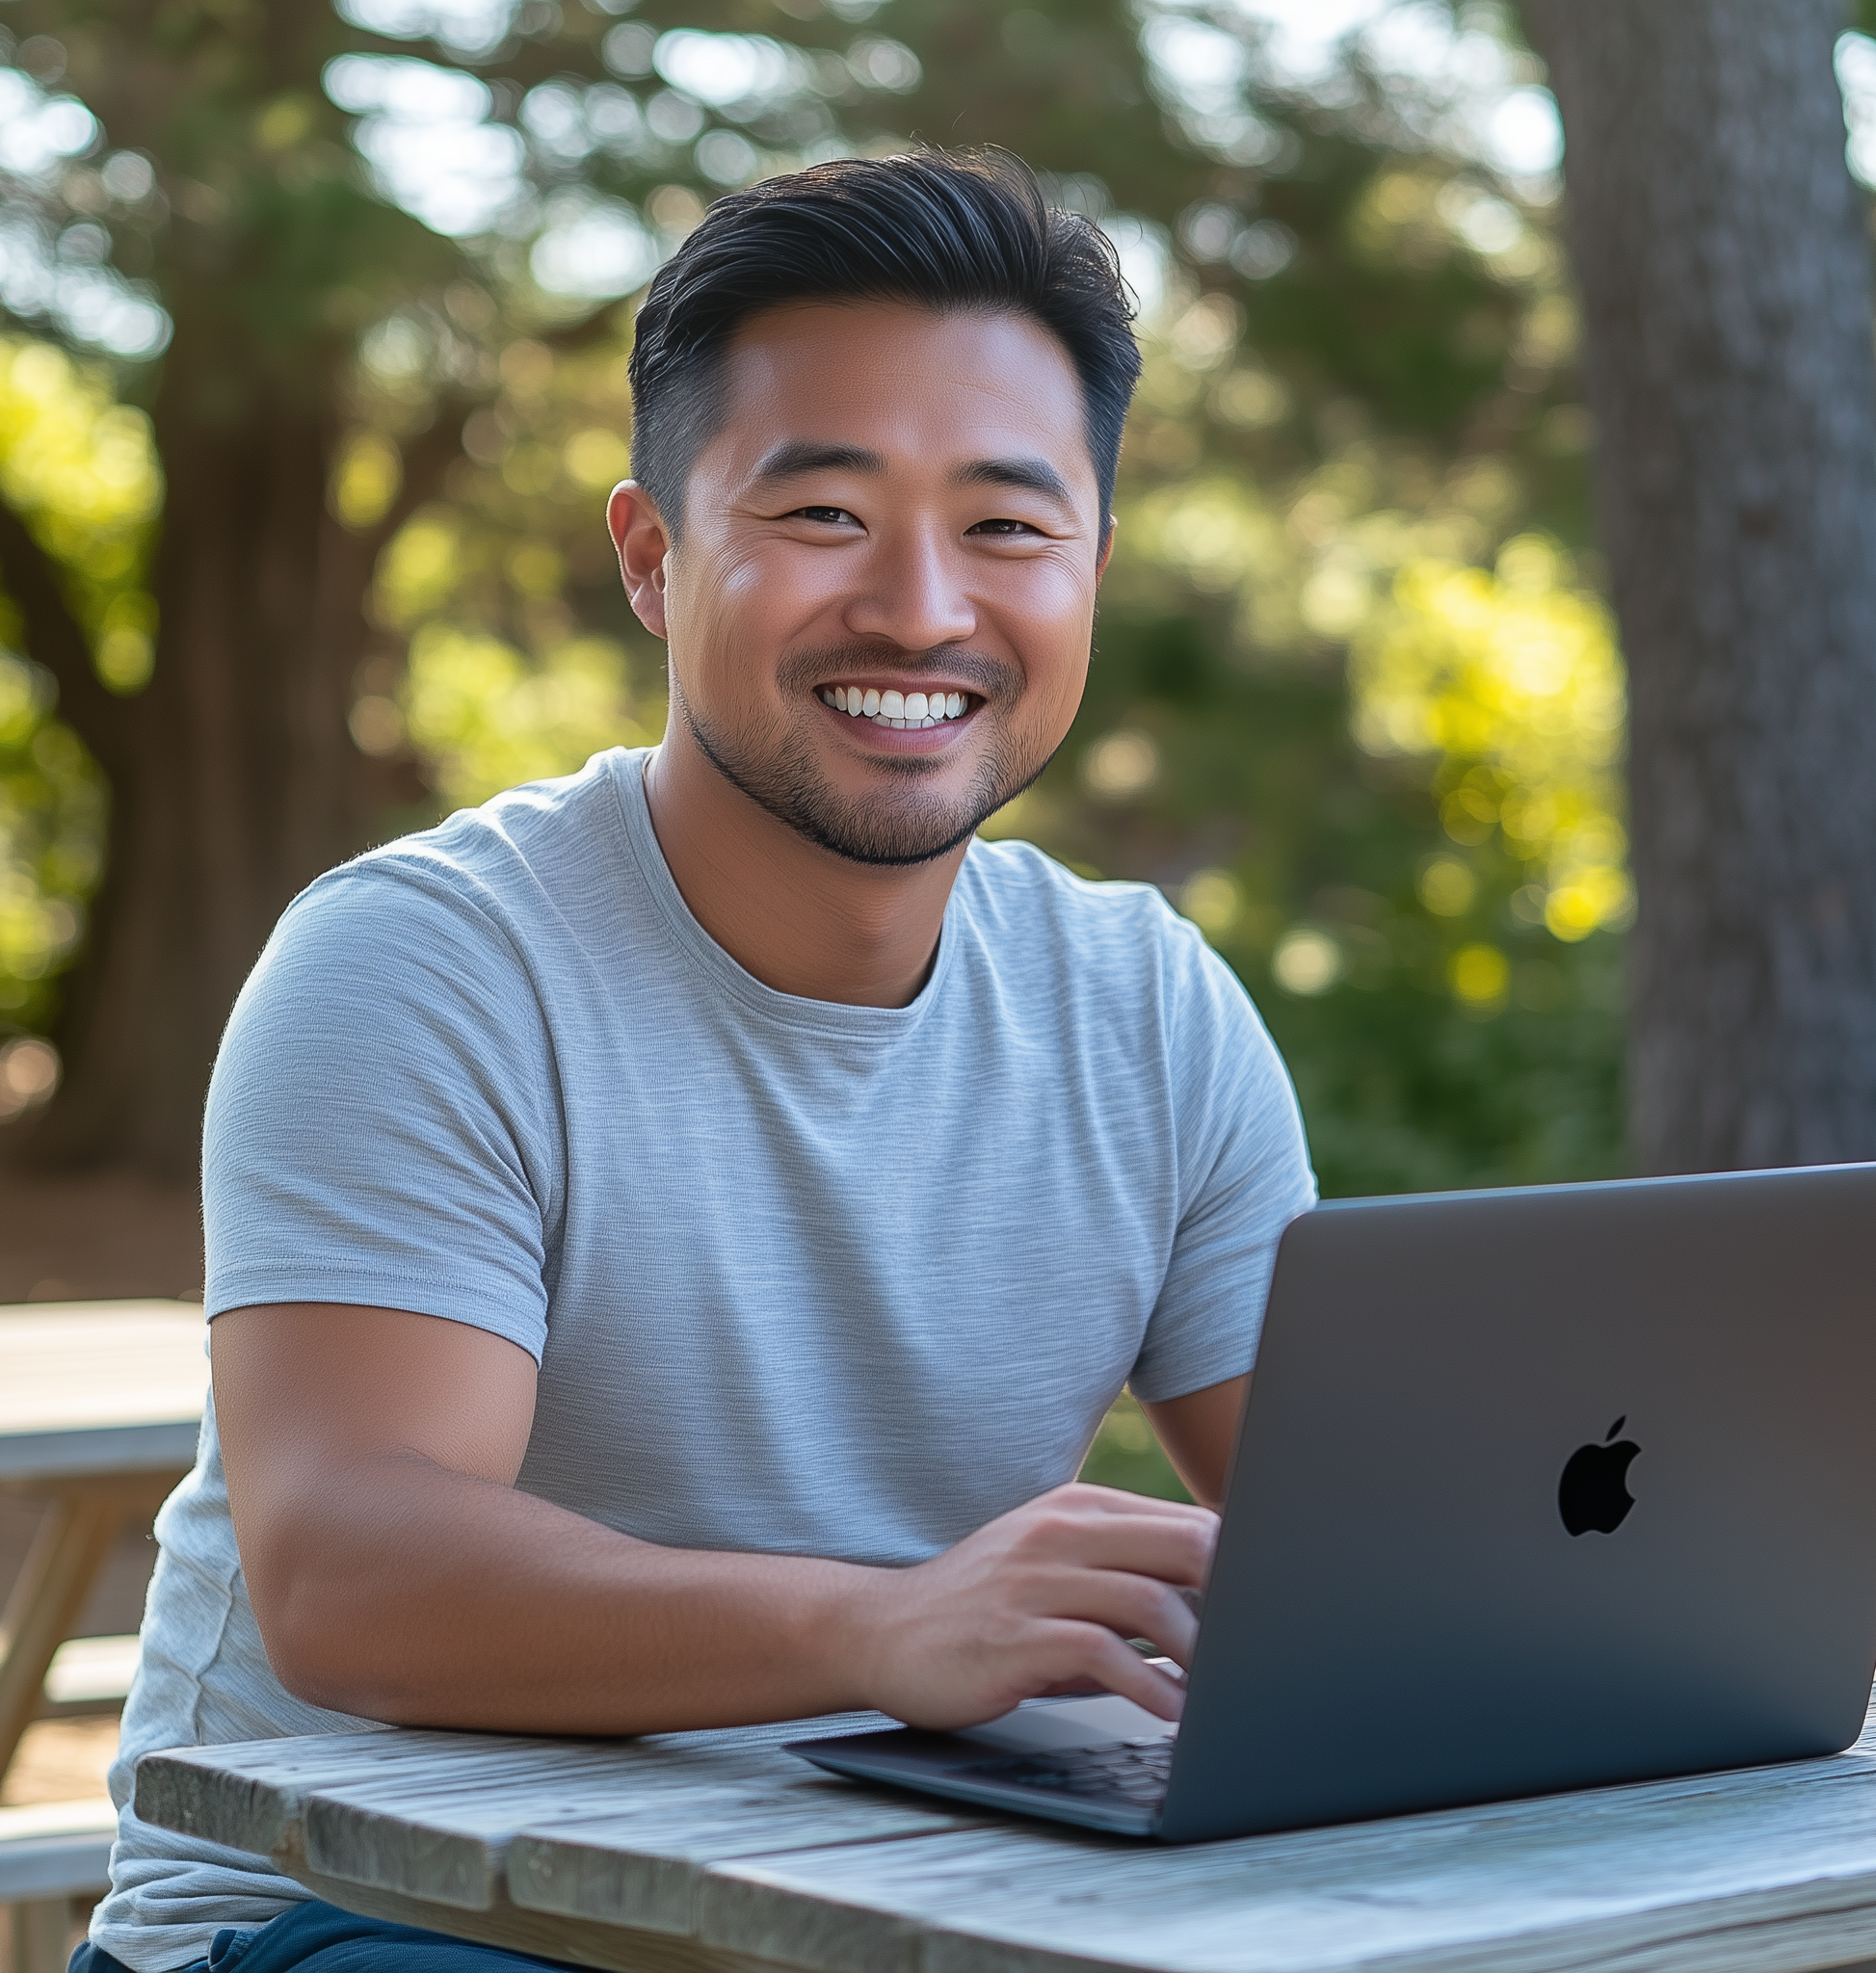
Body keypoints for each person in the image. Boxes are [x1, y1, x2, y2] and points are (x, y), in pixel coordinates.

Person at [80, 147, 1315, 1973]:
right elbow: (351, 1572)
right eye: (823, 515)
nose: (921, 608)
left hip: (878, 1905)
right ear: (654, 560)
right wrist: (884, 1626)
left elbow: (1345, 1537)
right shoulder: (424, 962)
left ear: (1092, 574)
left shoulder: (1146, 1003)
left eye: (1006, 525)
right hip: (361, 1916)